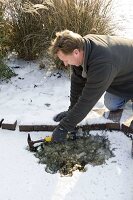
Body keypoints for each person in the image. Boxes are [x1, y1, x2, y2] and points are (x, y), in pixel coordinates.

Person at [49, 30, 133, 142]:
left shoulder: (102, 62)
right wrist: (71, 110)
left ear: (76, 52)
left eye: (66, 60)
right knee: (111, 103)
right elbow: (78, 81)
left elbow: (87, 100)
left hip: (125, 74)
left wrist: (64, 127)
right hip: (125, 78)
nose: (65, 64)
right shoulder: (83, 47)